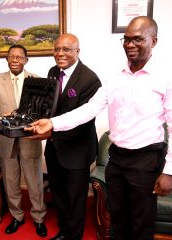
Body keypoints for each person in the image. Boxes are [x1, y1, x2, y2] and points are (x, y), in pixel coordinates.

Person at [26, 16, 172, 240]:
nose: (130, 45)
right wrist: (53, 123)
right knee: (117, 220)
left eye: (138, 39)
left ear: (154, 41)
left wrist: (170, 171)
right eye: (127, 39)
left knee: (141, 223)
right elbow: (89, 110)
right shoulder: (115, 77)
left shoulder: (166, 79)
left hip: (146, 160)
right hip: (117, 160)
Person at [40, 33, 102, 240]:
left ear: (77, 51)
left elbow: (85, 120)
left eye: (65, 49)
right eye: (56, 49)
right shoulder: (52, 72)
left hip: (77, 150)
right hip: (54, 148)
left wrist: (51, 131)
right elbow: (48, 107)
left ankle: (74, 236)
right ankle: (63, 231)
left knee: (75, 199)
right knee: (58, 195)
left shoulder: (90, 79)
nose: (60, 53)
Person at [0, 44, 47, 237]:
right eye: (11, 56)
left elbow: (42, 110)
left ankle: (38, 218)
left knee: (34, 182)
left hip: (29, 138)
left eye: (19, 57)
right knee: (10, 182)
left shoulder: (36, 80)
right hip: (6, 141)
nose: (15, 60)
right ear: (7, 59)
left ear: (26, 60)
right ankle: (17, 216)